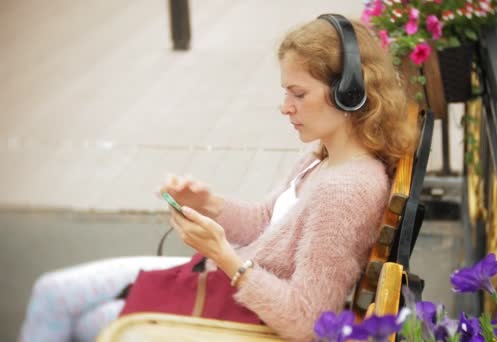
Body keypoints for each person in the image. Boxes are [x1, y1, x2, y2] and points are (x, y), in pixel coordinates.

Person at [19, 14, 417, 342]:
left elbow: (306, 319)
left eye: (298, 93)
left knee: (91, 320)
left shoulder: (346, 191)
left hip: (241, 305)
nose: (285, 107)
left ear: (348, 92)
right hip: (228, 282)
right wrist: (208, 204)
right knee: (54, 293)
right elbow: (267, 220)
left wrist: (226, 256)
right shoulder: (325, 158)